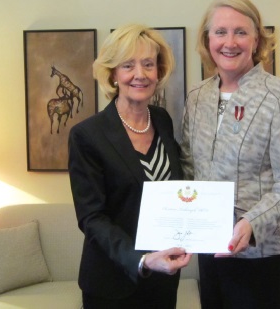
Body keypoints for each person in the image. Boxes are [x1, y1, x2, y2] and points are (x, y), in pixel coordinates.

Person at [180, 0, 280, 309]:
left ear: (256, 40)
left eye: (240, 32)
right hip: (209, 249)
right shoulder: (197, 97)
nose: (230, 42)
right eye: (220, 32)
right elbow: (188, 167)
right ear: (207, 40)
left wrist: (251, 223)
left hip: (259, 255)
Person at [68, 23, 192, 309]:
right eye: (128, 65)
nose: (140, 74)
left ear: (158, 71)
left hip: (163, 279)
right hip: (111, 285)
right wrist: (141, 260)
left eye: (148, 64)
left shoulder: (162, 120)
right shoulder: (87, 135)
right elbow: (92, 218)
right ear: (112, 74)